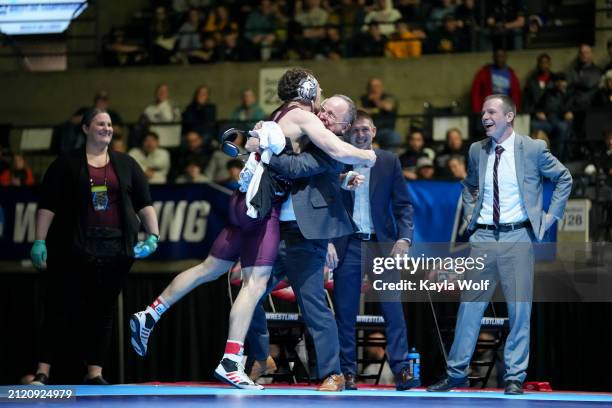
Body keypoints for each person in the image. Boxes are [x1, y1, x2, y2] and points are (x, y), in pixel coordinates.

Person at [129, 69, 375, 390]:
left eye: (332, 113)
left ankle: (151, 312)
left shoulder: (281, 115)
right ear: (308, 90)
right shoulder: (306, 119)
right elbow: (329, 155)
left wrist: (255, 147)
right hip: (263, 209)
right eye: (322, 99)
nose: (324, 109)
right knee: (255, 284)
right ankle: (234, 360)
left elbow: (306, 160)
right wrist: (366, 156)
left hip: (255, 206)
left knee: (211, 269)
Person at [427, 94, 572, 395]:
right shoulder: (476, 150)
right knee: (470, 308)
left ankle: (514, 377)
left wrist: (549, 217)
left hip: (517, 237)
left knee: (519, 311)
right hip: (482, 238)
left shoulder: (533, 148)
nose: (484, 117)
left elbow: (564, 178)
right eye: (482, 112)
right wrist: (471, 216)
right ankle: (455, 374)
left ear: (509, 116)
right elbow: (468, 187)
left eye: (491, 111)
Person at [29, 108, 160, 385]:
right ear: (86, 129)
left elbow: (144, 202)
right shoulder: (65, 164)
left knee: (103, 311)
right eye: (100, 123)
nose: (107, 128)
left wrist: (153, 236)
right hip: (73, 248)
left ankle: (95, 372)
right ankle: (43, 371)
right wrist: (40, 240)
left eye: (110, 124)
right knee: (59, 308)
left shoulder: (126, 164)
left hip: (114, 250)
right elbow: (47, 206)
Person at [244, 94, 365, 392]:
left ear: (343, 126)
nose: (322, 116)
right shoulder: (307, 133)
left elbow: (295, 168)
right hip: (275, 231)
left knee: (313, 307)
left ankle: (334, 373)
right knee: (248, 296)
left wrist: (267, 147)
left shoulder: (332, 149)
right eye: (323, 109)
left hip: (306, 237)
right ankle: (261, 357)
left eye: (331, 115)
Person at [324, 110, 418, 391]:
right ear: (348, 133)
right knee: (345, 312)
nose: (361, 134)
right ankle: (348, 372)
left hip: (382, 245)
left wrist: (404, 239)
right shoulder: (336, 159)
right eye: (356, 130)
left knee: (393, 309)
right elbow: (327, 205)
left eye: (366, 129)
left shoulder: (388, 161)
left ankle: (401, 369)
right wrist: (327, 240)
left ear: (374, 131)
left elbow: (403, 206)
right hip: (348, 244)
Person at [471, 49, 521, 113]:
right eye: (497, 56)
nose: (499, 59)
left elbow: (516, 94)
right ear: (493, 57)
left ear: (506, 57)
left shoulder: (511, 74)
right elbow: (475, 92)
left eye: (501, 56)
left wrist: (514, 110)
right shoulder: (484, 72)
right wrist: (478, 110)